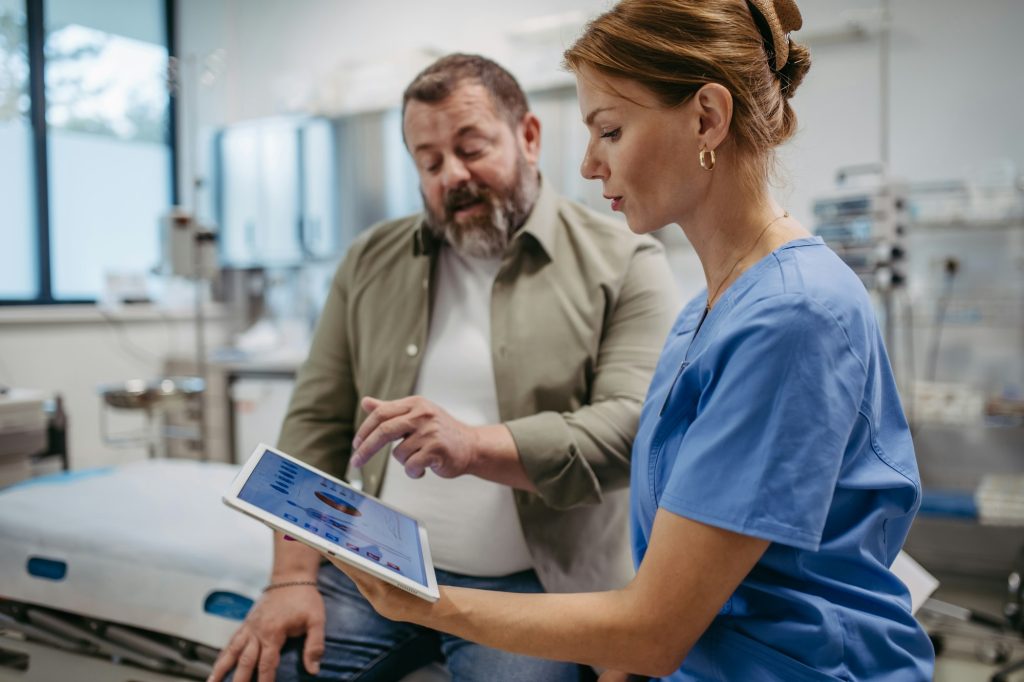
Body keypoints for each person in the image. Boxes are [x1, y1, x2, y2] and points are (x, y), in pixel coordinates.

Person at [319, 1, 937, 680]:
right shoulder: (708, 309)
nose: (587, 165)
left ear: (707, 117)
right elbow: (672, 570)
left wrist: (423, 603)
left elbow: (652, 630)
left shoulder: (793, 317)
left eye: (608, 131)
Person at [209, 53, 678, 682]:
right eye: (429, 163)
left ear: (529, 137)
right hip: (373, 571)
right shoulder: (370, 261)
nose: (451, 175)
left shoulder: (626, 260)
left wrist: (474, 444)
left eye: (471, 148)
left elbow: (630, 429)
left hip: (533, 592)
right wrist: (290, 578)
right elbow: (314, 424)